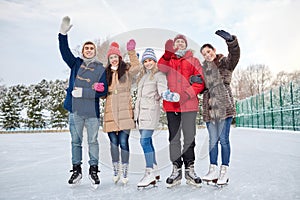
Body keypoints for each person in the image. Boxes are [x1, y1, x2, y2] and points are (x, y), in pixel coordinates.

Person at [58, 16, 108, 187]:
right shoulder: (75, 64)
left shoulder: (100, 68)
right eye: (86, 48)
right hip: (75, 111)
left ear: (94, 52)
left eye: (91, 48)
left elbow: (103, 90)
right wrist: (62, 35)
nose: (88, 50)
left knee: (93, 141)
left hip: (92, 112)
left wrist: (84, 92)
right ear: (83, 51)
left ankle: (93, 170)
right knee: (75, 141)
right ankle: (76, 170)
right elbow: (64, 51)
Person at [158, 34, 205, 188]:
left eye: (182, 42)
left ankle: (190, 169)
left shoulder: (194, 60)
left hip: (189, 105)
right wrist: (166, 53)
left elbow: (200, 82)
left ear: (185, 45)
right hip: (172, 107)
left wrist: (185, 95)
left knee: (189, 138)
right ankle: (176, 169)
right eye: (177, 41)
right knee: (174, 138)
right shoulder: (169, 60)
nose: (179, 43)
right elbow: (160, 67)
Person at [196, 30, 240, 185]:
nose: (207, 55)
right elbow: (201, 88)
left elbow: (235, 55)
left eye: (208, 52)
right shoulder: (204, 70)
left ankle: (224, 171)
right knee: (213, 141)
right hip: (209, 109)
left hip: (224, 107)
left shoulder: (225, 63)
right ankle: (212, 169)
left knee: (223, 140)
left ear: (214, 51)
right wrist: (196, 81)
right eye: (204, 54)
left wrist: (231, 42)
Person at [134, 48, 180, 188]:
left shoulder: (159, 75)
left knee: (144, 141)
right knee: (147, 141)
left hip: (150, 111)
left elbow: (162, 91)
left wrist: (169, 96)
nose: (148, 63)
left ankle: (149, 173)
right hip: (140, 113)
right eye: (145, 61)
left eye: (150, 60)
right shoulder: (142, 76)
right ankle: (155, 169)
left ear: (155, 61)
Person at [102, 39, 140, 184]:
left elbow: (137, 67)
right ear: (109, 59)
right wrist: (100, 90)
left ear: (119, 58)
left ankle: (125, 171)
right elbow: (103, 92)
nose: (113, 60)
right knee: (113, 143)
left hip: (124, 109)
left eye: (116, 57)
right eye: (111, 57)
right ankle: (115, 170)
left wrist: (131, 52)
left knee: (123, 141)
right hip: (110, 110)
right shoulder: (105, 73)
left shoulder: (127, 70)